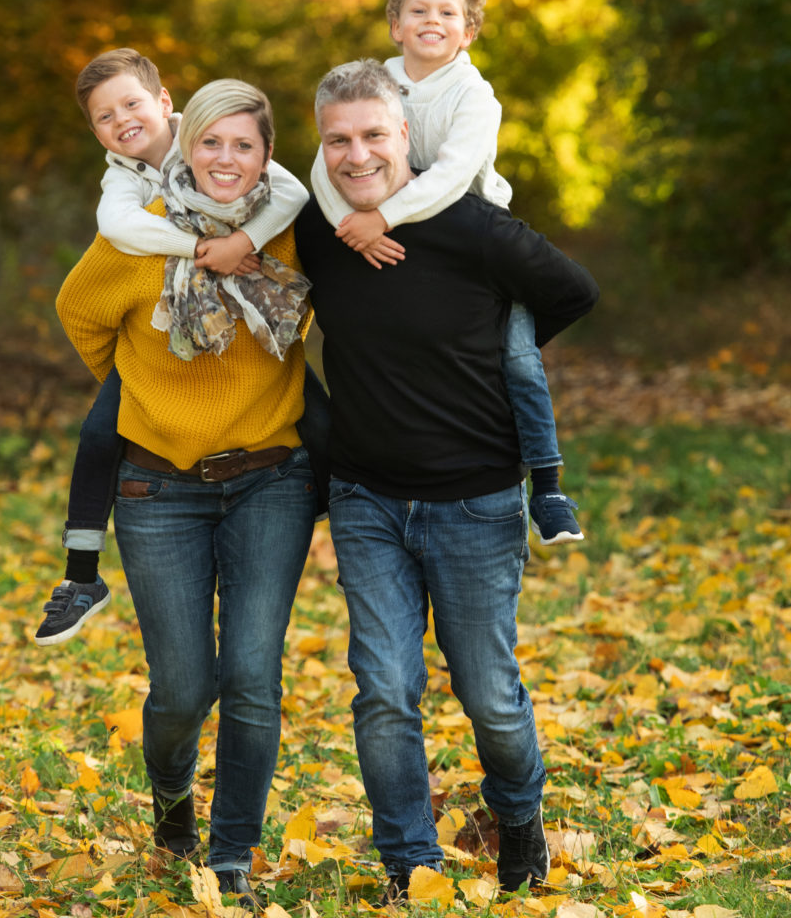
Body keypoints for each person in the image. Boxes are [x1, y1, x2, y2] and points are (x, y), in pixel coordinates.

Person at [295, 59, 599, 902]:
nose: (357, 156)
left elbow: (574, 291)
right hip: (366, 499)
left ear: (408, 136)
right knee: (385, 690)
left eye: (375, 136)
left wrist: (501, 346)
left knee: (488, 696)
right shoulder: (319, 229)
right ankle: (409, 864)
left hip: (476, 498)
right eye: (339, 140)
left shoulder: (471, 226)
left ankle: (520, 818)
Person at [56, 78, 318, 911]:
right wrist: (139, 387)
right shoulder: (141, 235)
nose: (226, 160)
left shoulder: (288, 234)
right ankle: (172, 810)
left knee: (251, 675)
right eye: (211, 144)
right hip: (155, 488)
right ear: (183, 142)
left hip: (270, 479)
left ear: (267, 157)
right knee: (181, 687)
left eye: (245, 145)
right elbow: (80, 312)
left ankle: (233, 851)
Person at [34, 48, 312, 647]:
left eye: (132, 103)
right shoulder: (123, 178)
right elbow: (120, 230)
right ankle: (81, 576)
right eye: (103, 117)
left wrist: (242, 240)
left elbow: (290, 193)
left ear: (165, 103)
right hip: (163, 354)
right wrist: (195, 251)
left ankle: (351, 525)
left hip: (250, 348)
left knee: (317, 415)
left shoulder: (214, 139)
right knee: (99, 433)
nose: (122, 121)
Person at [310, 0, 582, 548]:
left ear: (469, 32)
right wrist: (350, 230)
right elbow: (320, 169)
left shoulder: (475, 96)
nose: (432, 21)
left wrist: (381, 215)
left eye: (448, 13)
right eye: (419, 10)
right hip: (393, 219)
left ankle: (549, 483)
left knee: (515, 359)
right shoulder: (376, 83)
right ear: (395, 25)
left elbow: (454, 176)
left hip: (470, 232)